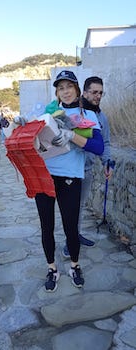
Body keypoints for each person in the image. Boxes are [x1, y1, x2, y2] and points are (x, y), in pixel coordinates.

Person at [36, 70, 104, 291]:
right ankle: (52, 268)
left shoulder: (89, 116)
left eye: (69, 87)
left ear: (77, 89)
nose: (65, 92)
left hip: (70, 177)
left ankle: (74, 266)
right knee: (46, 226)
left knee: (70, 227)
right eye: (61, 88)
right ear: (56, 91)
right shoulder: (50, 111)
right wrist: (21, 126)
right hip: (44, 175)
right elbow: (34, 135)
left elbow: (99, 147)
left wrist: (72, 135)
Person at [62, 76, 113, 258]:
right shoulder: (70, 111)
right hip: (68, 169)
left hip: (87, 169)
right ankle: (70, 241)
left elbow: (105, 143)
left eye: (100, 93)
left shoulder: (101, 118)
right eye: (94, 92)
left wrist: (107, 163)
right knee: (70, 208)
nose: (97, 96)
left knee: (80, 206)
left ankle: (75, 235)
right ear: (84, 92)